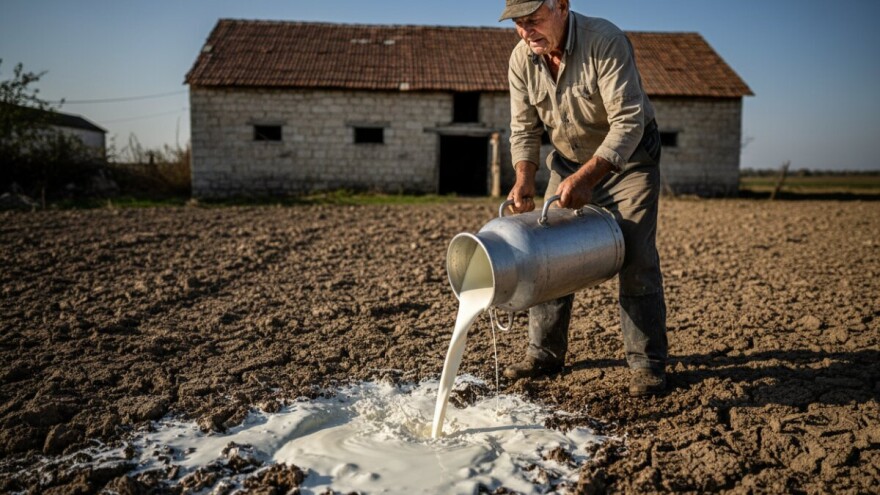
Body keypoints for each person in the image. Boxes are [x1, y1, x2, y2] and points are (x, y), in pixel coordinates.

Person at [498, 0, 668, 396]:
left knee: (635, 253)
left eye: (534, 20)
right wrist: (524, 179)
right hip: (569, 161)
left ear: (561, 5)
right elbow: (524, 128)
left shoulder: (604, 41)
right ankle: (544, 355)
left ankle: (647, 364)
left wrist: (588, 177)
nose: (526, 32)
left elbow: (629, 121)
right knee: (546, 251)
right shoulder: (521, 59)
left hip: (630, 161)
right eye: (519, 24)